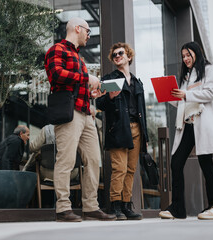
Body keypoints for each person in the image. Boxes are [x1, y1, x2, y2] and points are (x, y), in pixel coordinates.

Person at [44, 17, 116, 222]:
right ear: (77, 28)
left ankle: (91, 206)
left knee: (94, 159)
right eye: (88, 31)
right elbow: (56, 75)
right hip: (70, 113)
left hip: (86, 114)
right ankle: (63, 209)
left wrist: (94, 92)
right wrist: (87, 79)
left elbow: (78, 84)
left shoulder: (79, 57)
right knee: (65, 160)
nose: (88, 35)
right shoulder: (57, 49)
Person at [159, 41, 213, 220]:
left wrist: (186, 94)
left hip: (202, 123)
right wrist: (167, 95)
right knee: (176, 162)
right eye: (183, 56)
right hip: (188, 125)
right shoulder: (186, 76)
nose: (185, 59)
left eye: (188, 55)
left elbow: (210, 93)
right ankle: (177, 209)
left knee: (206, 164)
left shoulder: (209, 69)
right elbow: (182, 101)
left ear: (196, 53)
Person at [96, 42, 148, 220]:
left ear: (129, 57)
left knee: (132, 169)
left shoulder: (137, 82)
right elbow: (99, 104)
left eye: (120, 54)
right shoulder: (109, 79)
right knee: (119, 169)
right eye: (115, 55)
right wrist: (110, 98)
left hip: (136, 129)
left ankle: (126, 206)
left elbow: (142, 111)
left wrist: (145, 135)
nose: (117, 56)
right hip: (118, 128)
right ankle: (115, 206)